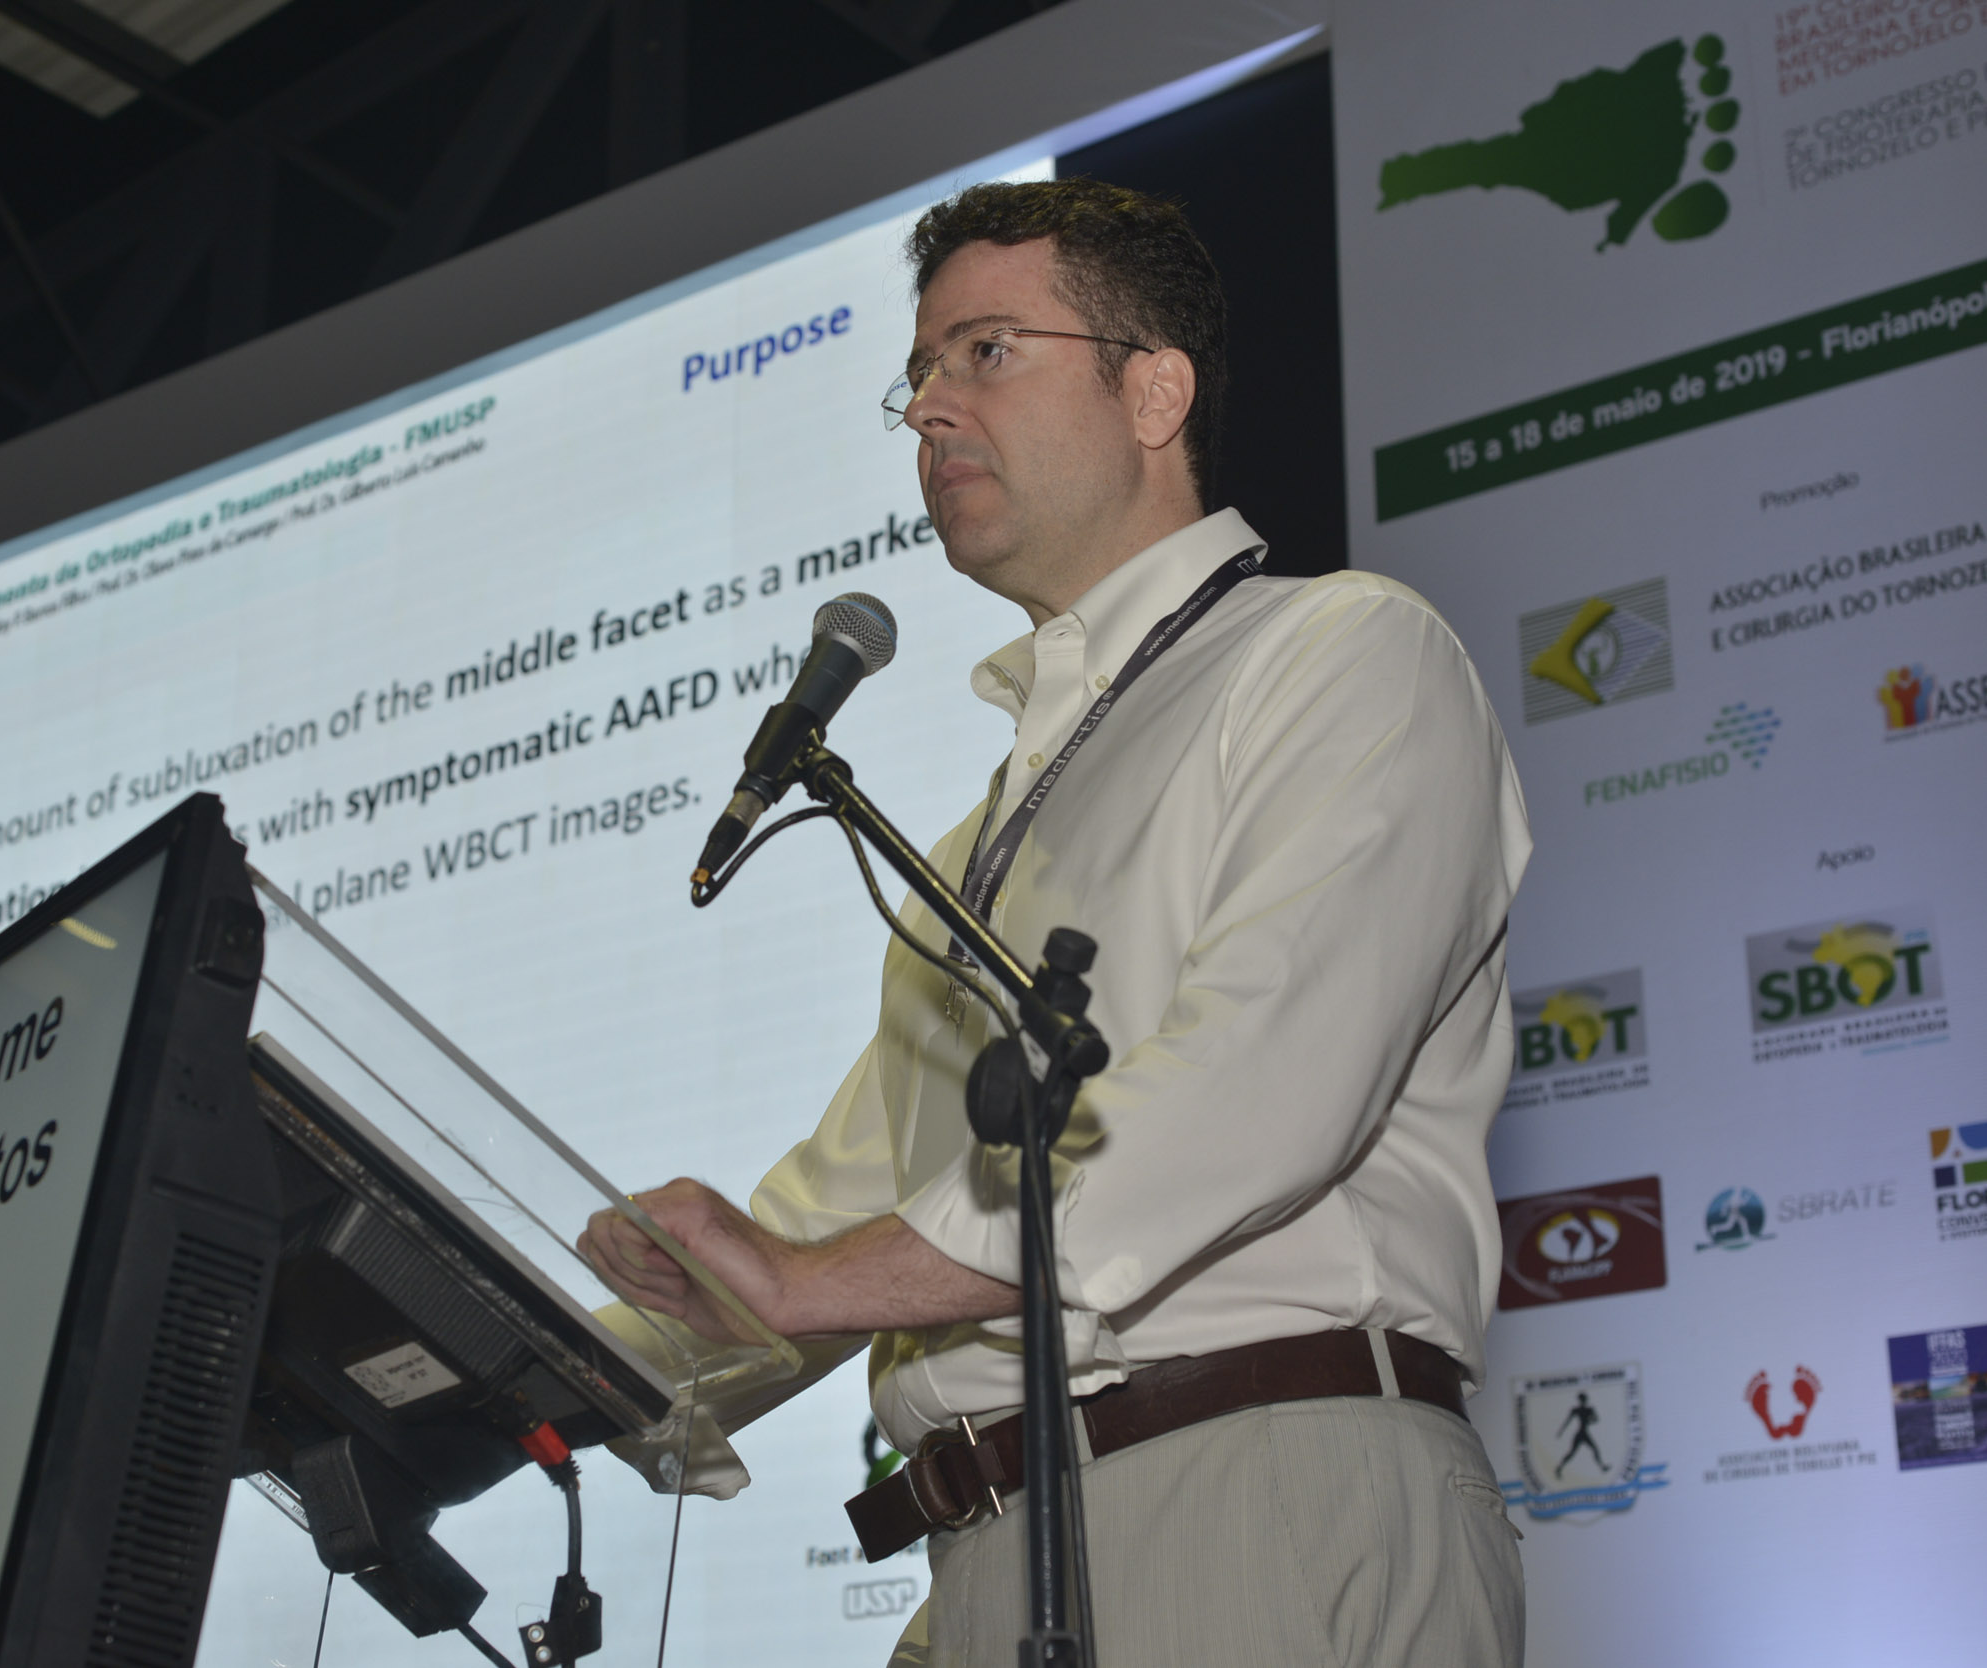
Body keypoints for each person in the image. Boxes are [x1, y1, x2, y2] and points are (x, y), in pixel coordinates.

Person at [581, 178, 1532, 1667]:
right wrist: (487, 1376)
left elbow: (1256, 1095)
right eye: (918, 372)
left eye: (986, 352)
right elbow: (826, 1220)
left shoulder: (1343, 654)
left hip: (1254, 1489)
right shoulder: (974, 841)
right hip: (985, 1553)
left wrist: (813, 1282)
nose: (927, 409)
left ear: (1155, 391)